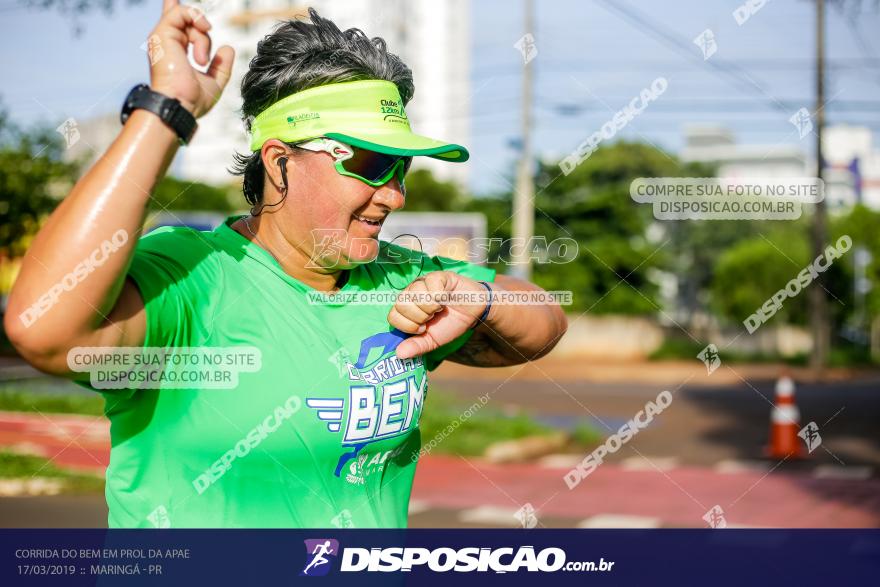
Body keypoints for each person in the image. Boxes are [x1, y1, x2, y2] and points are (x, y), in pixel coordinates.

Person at [4, 0, 567, 528]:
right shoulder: (192, 273)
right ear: (280, 163)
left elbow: (544, 323)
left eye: (401, 169)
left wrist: (480, 297)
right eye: (372, 165)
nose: (394, 196)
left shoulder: (400, 279)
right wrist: (166, 110)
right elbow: (44, 330)